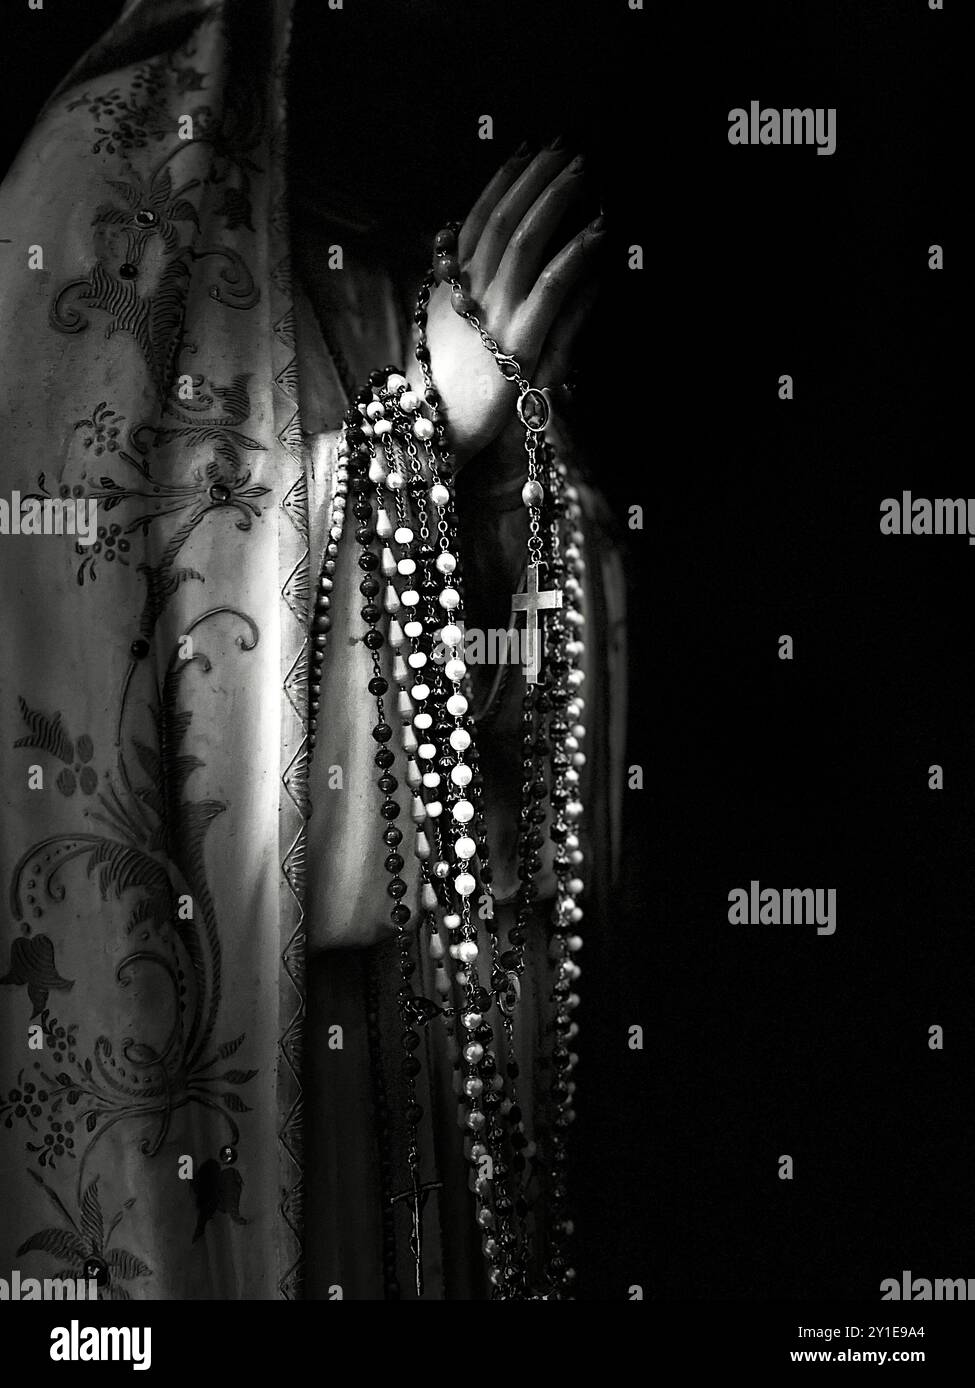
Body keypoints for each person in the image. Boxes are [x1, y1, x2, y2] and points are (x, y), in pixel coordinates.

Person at [0, 0, 625, 1299]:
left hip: (430, 1062)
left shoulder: (409, 246)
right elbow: (100, 624)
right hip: (263, 1088)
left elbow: (517, 714)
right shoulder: (105, 190)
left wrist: (525, 479)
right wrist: (422, 423)